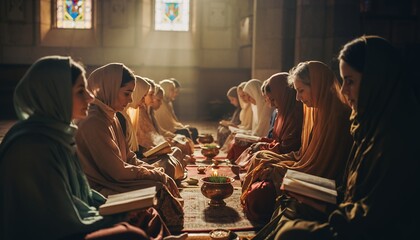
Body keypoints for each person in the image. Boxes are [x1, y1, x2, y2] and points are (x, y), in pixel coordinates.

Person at [0, 56, 174, 240]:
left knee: (144, 214)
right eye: (81, 91)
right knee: (131, 234)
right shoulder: (31, 145)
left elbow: (81, 193)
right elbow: (54, 218)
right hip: (49, 231)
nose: (91, 97)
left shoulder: (58, 135)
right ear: (56, 94)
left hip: (73, 217)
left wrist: (114, 207)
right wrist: (110, 217)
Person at [264, 36, 420, 240]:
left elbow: (374, 217)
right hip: (347, 214)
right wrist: (317, 195)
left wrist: (329, 208)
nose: (344, 90)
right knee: (291, 207)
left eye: (350, 81)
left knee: (289, 233)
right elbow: (349, 189)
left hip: (368, 230)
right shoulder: (365, 126)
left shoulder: (396, 140)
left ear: (376, 81)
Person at [75, 63, 184, 231]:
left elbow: (129, 156)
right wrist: (154, 174)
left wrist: (153, 171)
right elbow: (117, 172)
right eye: (127, 93)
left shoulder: (111, 116)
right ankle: (167, 233)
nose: (131, 100)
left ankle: (166, 232)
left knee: (162, 180)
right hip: (101, 186)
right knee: (159, 189)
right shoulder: (94, 121)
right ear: (109, 88)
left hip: (115, 177)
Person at [241, 61, 353, 224]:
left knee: (260, 193)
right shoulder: (317, 113)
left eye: (301, 91)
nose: (298, 98)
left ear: (317, 87)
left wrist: (280, 168)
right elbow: (303, 155)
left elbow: (325, 169)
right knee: (263, 161)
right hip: (306, 168)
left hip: (323, 182)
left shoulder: (339, 117)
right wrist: (276, 163)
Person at [235, 72, 303, 171]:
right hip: (278, 152)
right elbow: (275, 140)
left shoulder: (295, 116)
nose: (271, 105)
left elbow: (288, 149)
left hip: (289, 159)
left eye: (274, 99)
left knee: (259, 160)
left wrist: (264, 146)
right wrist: (263, 145)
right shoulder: (281, 113)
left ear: (283, 95)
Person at [227, 79, 274, 162]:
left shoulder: (267, 109)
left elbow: (260, 134)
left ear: (255, 94)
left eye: (249, 96)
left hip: (264, 142)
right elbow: (254, 131)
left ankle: (239, 165)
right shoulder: (255, 107)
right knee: (237, 139)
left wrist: (245, 135)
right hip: (257, 139)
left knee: (237, 143)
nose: (248, 99)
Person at [154, 79, 199, 144]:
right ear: (165, 90)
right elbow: (164, 125)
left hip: (172, 128)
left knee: (193, 130)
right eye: (172, 90)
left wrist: (181, 127)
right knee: (185, 131)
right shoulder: (160, 104)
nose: (174, 93)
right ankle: (191, 146)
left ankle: (192, 145)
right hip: (167, 130)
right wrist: (180, 129)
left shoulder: (168, 102)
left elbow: (173, 120)